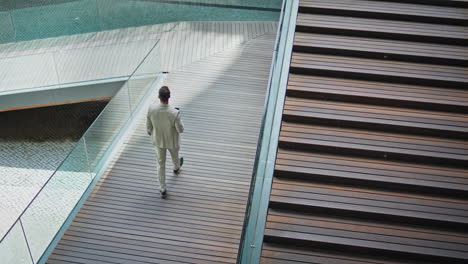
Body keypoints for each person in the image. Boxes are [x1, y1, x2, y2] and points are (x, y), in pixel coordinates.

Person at [147, 86, 184, 198]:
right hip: (172, 140)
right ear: (169, 97)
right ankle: (176, 167)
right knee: (175, 156)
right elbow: (180, 129)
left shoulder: (151, 109)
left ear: (158, 97)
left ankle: (162, 188)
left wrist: (153, 134)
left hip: (158, 141)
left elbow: (149, 129)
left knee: (160, 164)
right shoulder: (174, 113)